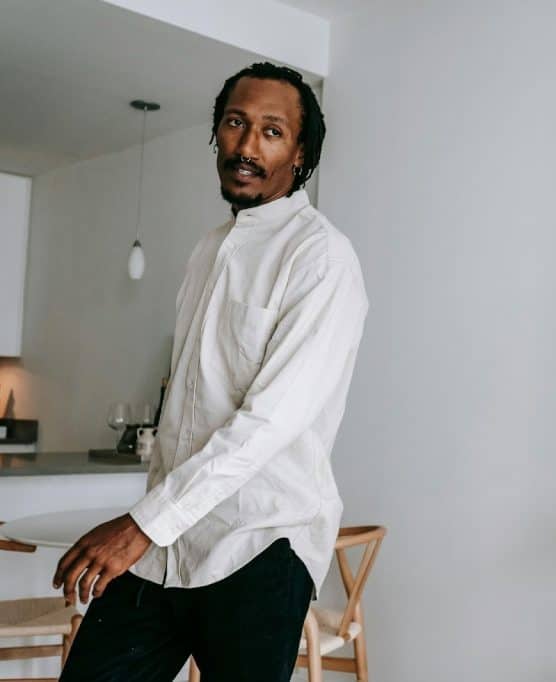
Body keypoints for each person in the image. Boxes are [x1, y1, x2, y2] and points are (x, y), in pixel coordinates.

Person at [53, 62, 368, 682]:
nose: (247, 145)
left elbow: (268, 423)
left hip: (258, 546)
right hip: (165, 546)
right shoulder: (208, 249)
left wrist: (142, 524)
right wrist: (153, 524)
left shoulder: (321, 257)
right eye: (234, 123)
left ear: (301, 154)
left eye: (272, 131)